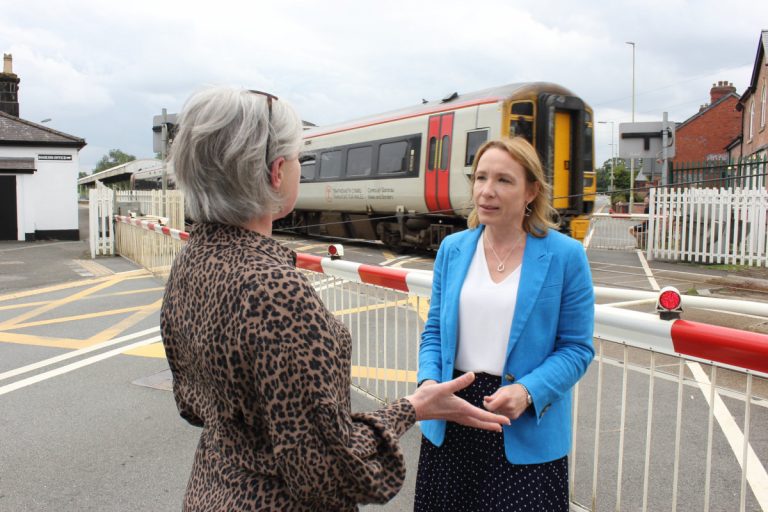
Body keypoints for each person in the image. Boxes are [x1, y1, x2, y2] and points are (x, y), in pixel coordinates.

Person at [160, 86, 510, 512]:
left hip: (209, 488)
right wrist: (410, 409)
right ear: (275, 172)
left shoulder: (192, 260)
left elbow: (193, 405)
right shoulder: (275, 293)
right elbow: (328, 473)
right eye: (297, 160)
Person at [414, 137, 595, 512]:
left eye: (503, 180)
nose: (487, 191)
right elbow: (434, 331)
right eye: (480, 178)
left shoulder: (565, 256)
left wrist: (528, 392)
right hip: (451, 417)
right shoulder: (454, 248)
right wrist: (430, 385)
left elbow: (577, 348)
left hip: (522, 422)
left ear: (531, 191)